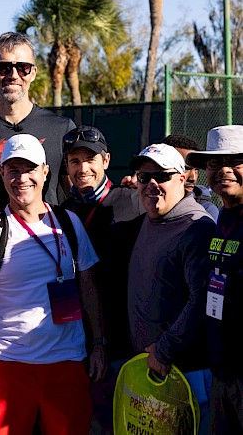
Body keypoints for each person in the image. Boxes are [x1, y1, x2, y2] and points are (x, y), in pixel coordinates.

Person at [0, 133, 106, 435]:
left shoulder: (70, 224)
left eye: (29, 169)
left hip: (67, 364)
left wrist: (99, 344)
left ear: (45, 171)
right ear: (2, 173)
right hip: (6, 365)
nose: (22, 178)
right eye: (13, 170)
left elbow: (89, 289)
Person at [60, 125, 145, 434]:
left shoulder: (134, 201)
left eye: (90, 159)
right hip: (75, 343)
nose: (83, 168)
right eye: (74, 160)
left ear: (106, 160)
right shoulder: (62, 213)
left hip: (124, 343)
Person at [128, 143, 215, 435]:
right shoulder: (150, 219)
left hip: (187, 372)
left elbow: (202, 298)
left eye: (162, 176)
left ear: (182, 179)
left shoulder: (196, 227)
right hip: (153, 371)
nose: (152, 184)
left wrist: (165, 350)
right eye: (144, 177)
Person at [0, 31, 76, 211]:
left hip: (46, 237)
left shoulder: (61, 128)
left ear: (33, 73)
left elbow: (79, 193)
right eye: (4, 68)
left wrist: (124, 192)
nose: (14, 75)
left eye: (23, 67)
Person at [186, 125, 243, 434]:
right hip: (222, 369)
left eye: (235, 161)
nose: (224, 170)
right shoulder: (223, 216)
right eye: (214, 163)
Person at [121, 134, 220, 221]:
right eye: (185, 168)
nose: (192, 177)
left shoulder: (203, 216)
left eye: (162, 176)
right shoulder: (135, 200)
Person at [162, 134, 219, 221]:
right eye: (185, 168)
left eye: (196, 170)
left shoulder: (207, 212)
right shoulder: (140, 200)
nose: (193, 178)